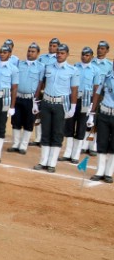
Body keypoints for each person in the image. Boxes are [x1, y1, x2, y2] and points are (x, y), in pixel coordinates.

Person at [33, 43, 79, 173]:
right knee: (45, 131)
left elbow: (74, 90)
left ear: (67, 54)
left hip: (61, 104)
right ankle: (43, 161)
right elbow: (40, 84)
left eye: (62, 53)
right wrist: (36, 101)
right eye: (58, 52)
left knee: (57, 133)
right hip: (47, 102)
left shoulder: (72, 70)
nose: (59, 55)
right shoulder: (47, 67)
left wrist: (73, 107)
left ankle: (52, 163)